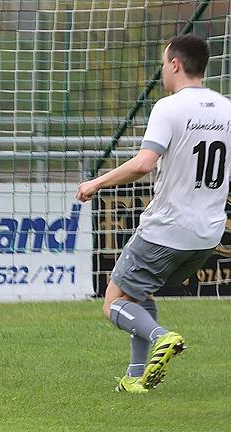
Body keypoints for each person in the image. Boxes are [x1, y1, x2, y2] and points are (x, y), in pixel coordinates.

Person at [77, 34, 231, 393]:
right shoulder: (227, 108)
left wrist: (96, 183)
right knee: (139, 294)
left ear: (175, 64)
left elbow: (144, 164)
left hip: (167, 228)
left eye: (164, 63)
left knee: (114, 302)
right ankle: (135, 378)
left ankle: (162, 338)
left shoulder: (169, 107)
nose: (163, 70)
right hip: (208, 235)